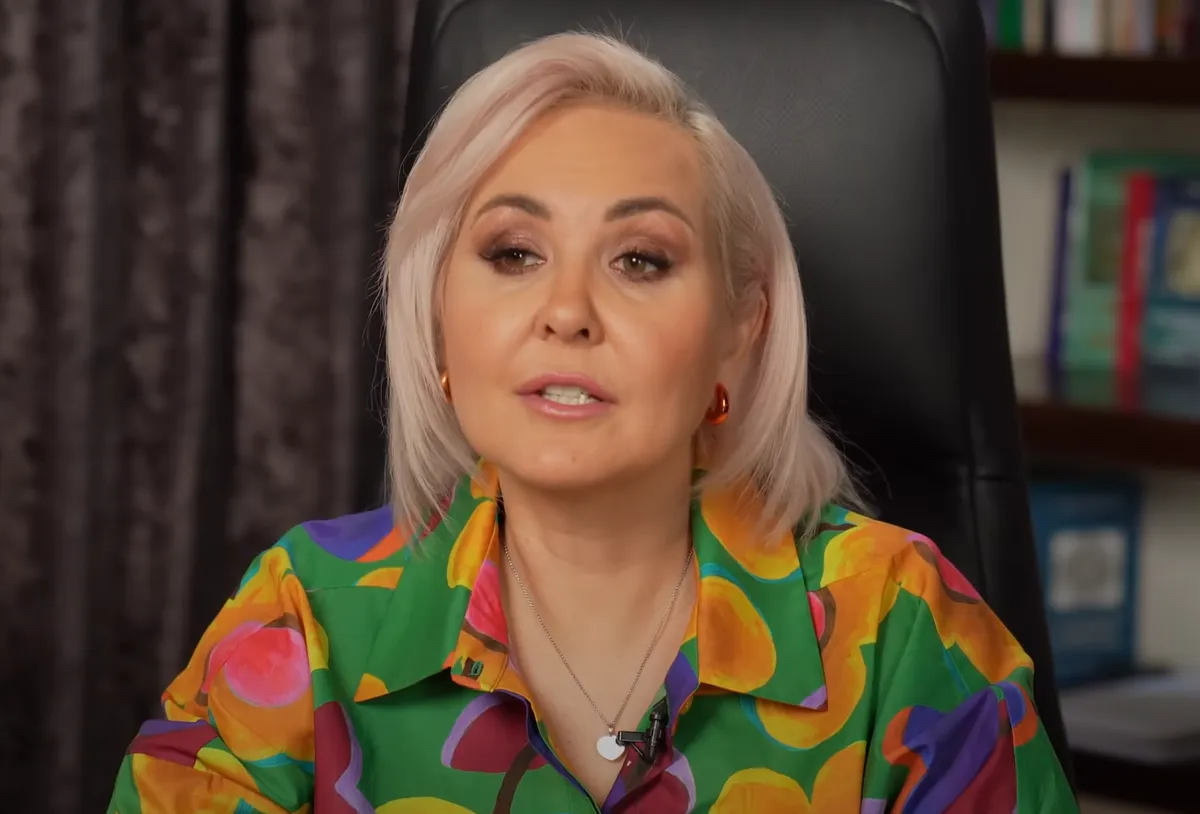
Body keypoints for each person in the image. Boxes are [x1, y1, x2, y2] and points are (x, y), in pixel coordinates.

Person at [107, 31, 1077, 814]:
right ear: (439, 320)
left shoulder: (904, 628)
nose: (566, 311)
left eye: (640, 260)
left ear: (739, 330)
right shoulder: (301, 620)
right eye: (514, 253)